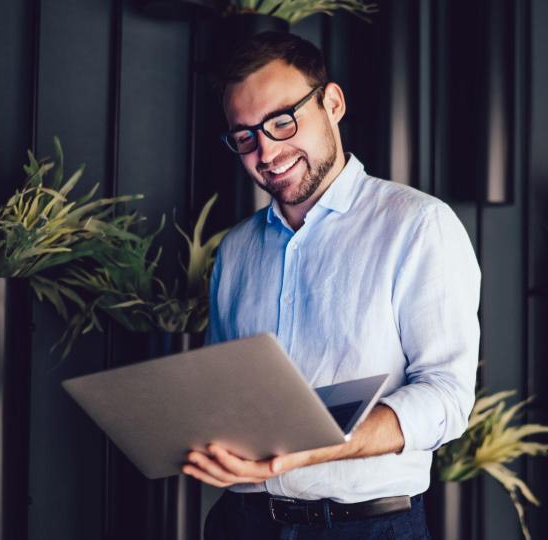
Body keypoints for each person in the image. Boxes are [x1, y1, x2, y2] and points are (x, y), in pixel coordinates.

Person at [182, 31, 480, 540]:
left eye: (282, 120)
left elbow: (447, 398)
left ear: (333, 103)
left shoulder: (418, 225)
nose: (267, 151)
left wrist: (321, 444)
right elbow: (227, 394)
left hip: (366, 527)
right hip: (242, 525)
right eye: (245, 136)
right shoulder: (234, 250)